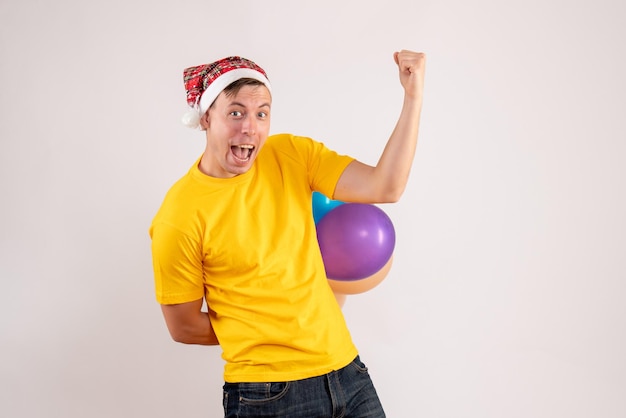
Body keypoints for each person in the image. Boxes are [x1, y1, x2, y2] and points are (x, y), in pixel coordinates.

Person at [150, 50, 426, 417]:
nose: (250, 127)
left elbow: (385, 186)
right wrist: (261, 329)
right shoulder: (179, 214)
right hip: (267, 395)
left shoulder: (291, 155)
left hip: (347, 372)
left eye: (261, 113)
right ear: (206, 117)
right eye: (236, 112)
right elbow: (183, 326)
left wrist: (413, 96)